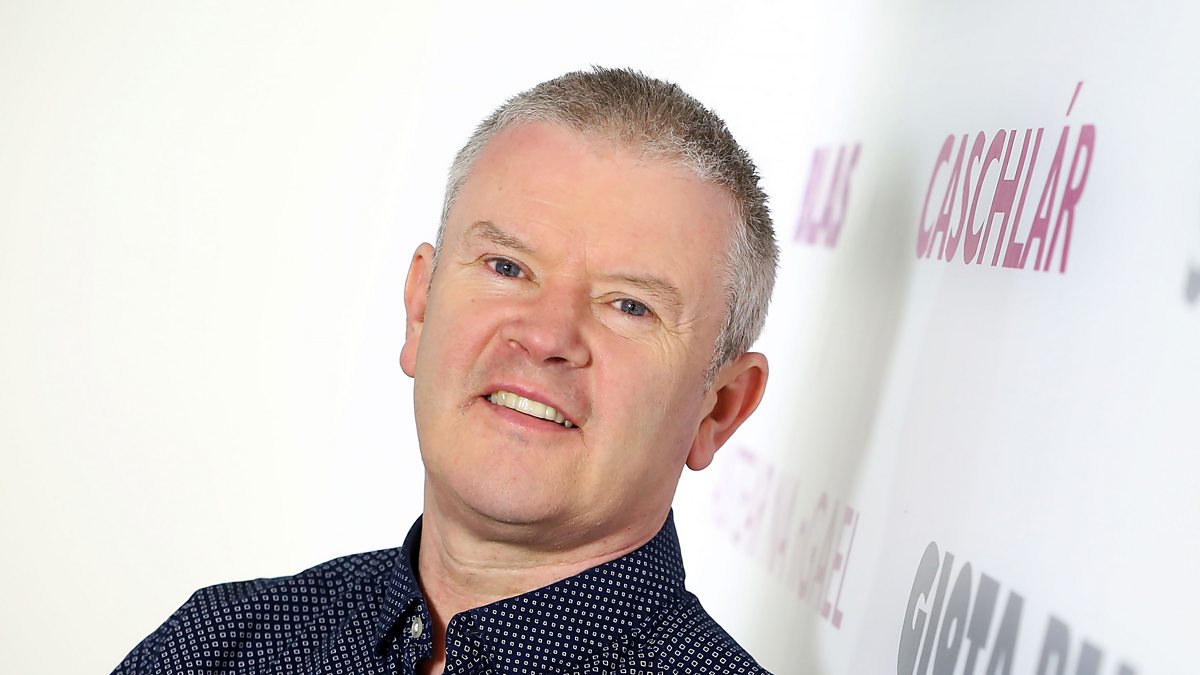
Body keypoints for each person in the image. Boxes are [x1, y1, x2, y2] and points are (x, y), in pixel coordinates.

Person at [113, 67, 778, 675]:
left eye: (629, 305)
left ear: (719, 409)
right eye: (507, 267)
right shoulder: (220, 645)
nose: (545, 336)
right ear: (420, 308)